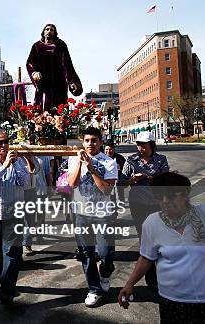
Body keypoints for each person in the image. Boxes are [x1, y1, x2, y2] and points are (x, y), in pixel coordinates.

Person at [118, 172, 205, 322]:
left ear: (185, 195)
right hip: (172, 300)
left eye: (171, 196)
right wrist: (129, 284)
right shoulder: (151, 223)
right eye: (159, 197)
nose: (165, 201)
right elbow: (146, 258)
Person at [0, 131, 35, 305]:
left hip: (14, 214)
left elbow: (26, 183)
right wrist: (4, 165)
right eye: (0, 143)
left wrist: (18, 163)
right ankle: (6, 283)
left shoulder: (17, 161)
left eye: (6, 142)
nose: (4, 145)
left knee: (12, 253)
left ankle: (6, 291)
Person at [67, 127, 118, 307]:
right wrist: (81, 164)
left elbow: (106, 189)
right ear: (83, 142)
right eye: (87, 140)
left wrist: (92, 169)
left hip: (103, 214)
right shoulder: (74, 160)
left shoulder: (109, 162)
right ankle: (94, 289)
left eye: (94, 140)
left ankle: (105, 274)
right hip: (81, 214)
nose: (91, 144)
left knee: (105, 253)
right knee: (86, 254)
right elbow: (72, 184)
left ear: (100, 142)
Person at [122, 131, 169, 290]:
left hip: (157, 204)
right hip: (138, 204)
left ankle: (163, 270)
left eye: (143, 145)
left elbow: (166, 180)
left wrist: (147, 177)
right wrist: (132, 179)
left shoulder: (161, 160)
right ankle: (150, 274)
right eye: (138, 144)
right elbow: (122, 181)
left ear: (151, 145)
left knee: (159, 237)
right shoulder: (131, 160)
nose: (140, 147)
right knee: (144, 237)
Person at [26, 23, 83, 110]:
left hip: (59, 85)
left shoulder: (60, 45)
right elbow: (30, 63)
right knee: (42, 112)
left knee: (60, 112)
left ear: (55, 33)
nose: (49, 31)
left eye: (52, 30)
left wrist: (72, 82)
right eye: (47, 29)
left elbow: (67, 65)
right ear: (43, 32)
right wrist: (34, 73)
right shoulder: (36, 46)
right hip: (43, 84)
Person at [23, 155, 53, 256]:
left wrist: (50, 187)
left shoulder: (44, 157)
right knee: (29, 219)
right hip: (27, 191)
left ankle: (40, 235)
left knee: (41, 216)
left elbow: (47, 172)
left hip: (41, 189)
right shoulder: (20, 157)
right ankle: (27, 243)